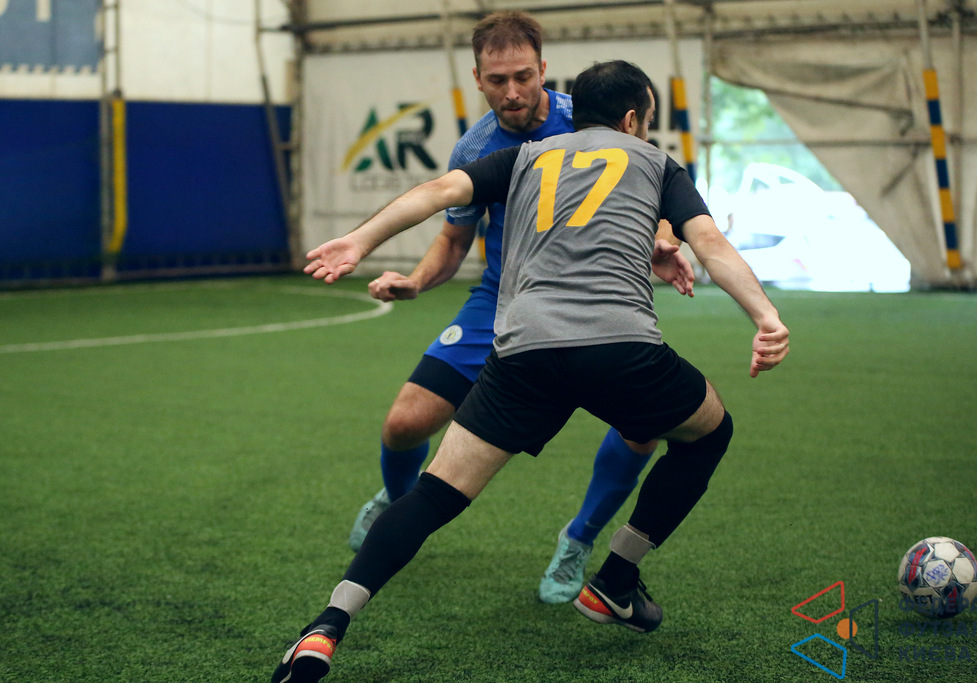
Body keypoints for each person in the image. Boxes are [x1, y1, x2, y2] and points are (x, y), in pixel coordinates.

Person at [271, 59, 789, 683]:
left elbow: (437, 192)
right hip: (620, 347)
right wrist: (765, 317)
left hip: (522, 351)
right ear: (632, 119)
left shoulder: (524, 158)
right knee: (709, 431)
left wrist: (359, 241)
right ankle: (616, 577)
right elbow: (710, 243)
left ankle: (327, 626)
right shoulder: (657, 163)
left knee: (434, 494)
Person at [347, 10, 693, 605]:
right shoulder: (475, 147)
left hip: (597, 298)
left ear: (543, 70)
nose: (512, 91)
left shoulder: (591, 118)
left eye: (524, 77)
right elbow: (453, 239)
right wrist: (417, 281)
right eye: (498, 80)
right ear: (477, 79)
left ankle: (578, 538)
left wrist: (665, 237)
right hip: (502, 299)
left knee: (644, 431)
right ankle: (398, 504)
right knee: (404, 424)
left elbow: (658, 186)